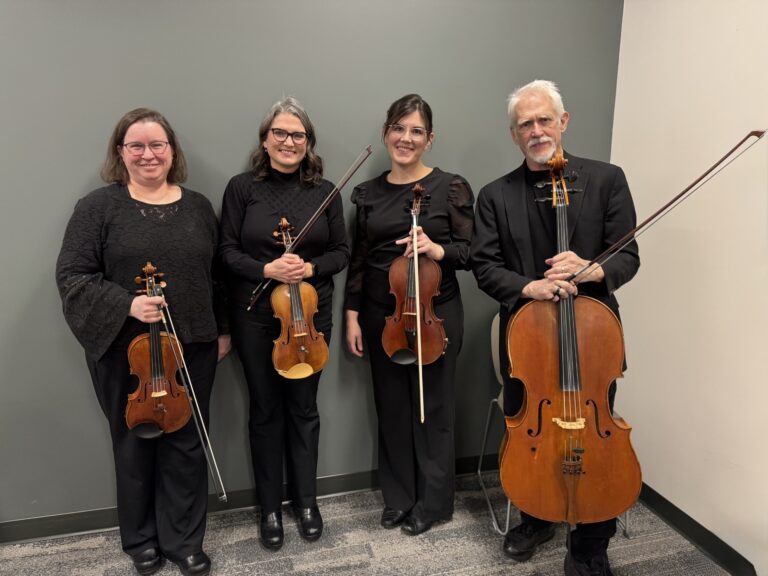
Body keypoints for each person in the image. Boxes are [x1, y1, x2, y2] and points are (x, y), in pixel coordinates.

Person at [471, 80, 640, 576]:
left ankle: (591, 545)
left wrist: (592, 269)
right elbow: (484, 266)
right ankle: (536, 515)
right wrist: (529, 286)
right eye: (525, 124)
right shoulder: (495, 195)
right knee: (532, 431)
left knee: (595, 434)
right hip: (527, 342)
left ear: (563, 122)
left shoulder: (606, 179)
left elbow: (628, 256)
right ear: (514, 134)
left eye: (545, 119)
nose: (537, 131)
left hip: (592, 341)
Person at [56, 108, 229, 576]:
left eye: (157, 145)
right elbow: (73, 276)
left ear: (172, 151)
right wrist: (128, 304)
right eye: (136, 145)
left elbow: (217, 277)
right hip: (125, 351)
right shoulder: (97, 207)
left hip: (192, 345)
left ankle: (184, 540)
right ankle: (141, 540)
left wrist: (223, 329)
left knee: (186, 443)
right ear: (121, 152)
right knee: (135, 442)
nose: (148, 154)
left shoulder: (198, 207)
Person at [218, 97, 349, 551]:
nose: (288, 141)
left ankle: (307, 502)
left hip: (310, 316)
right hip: (255, 316)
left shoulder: (326, 191)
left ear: (308, 142)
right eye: (280, 133)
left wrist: (309, 268)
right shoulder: (241, 188)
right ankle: (270, 508)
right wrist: (266, 269)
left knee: (304, 408)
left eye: (297, 134)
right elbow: (227, 252)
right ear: (265, 139)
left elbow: (341, 253)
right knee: (265, 410)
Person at [344, 94, 474, 536]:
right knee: (392, 407)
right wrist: (352, 315)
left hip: (436, 311)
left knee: (434, 406)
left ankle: (434, 503)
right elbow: (360, 260)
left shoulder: (450, 187)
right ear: (386, 134)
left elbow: (473, 252)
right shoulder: (368, 194)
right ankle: (398, 497)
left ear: (429, 139)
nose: (406, 138)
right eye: (398, 128)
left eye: (416, 131)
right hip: (383, 314)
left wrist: (437, 249)